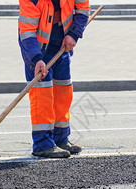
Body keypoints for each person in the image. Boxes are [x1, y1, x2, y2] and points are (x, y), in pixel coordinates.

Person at [18, 0, 90, 158]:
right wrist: (36, 59)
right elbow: (27, 31)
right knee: (42, 98)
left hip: (61, 48)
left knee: (62, 94)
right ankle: (42, 144)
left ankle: (61, 139)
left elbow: (83, 9)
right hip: (39, 52)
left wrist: (73, 34)